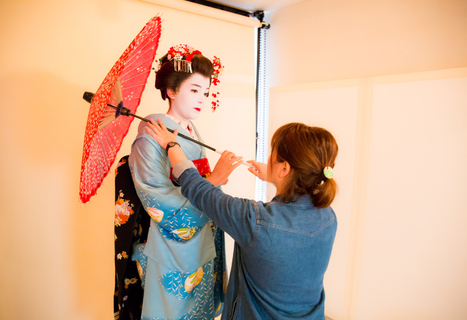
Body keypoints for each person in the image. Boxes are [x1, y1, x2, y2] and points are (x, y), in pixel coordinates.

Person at [146, 120, 339, 320]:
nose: (270, 156)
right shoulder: (328, 217)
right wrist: (275, 176)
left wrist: (171, 145)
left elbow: (198, 190)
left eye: (273, 151)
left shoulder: (255, 221)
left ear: (285, 169)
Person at [115, 44, 227, 320]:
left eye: (206, 92)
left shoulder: (190, 130)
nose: (201, 98)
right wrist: (213, 181)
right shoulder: (149, 137)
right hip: (172, 246)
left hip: (202, 239)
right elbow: (158, 202)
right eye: (194, 90)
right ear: (171, 91)